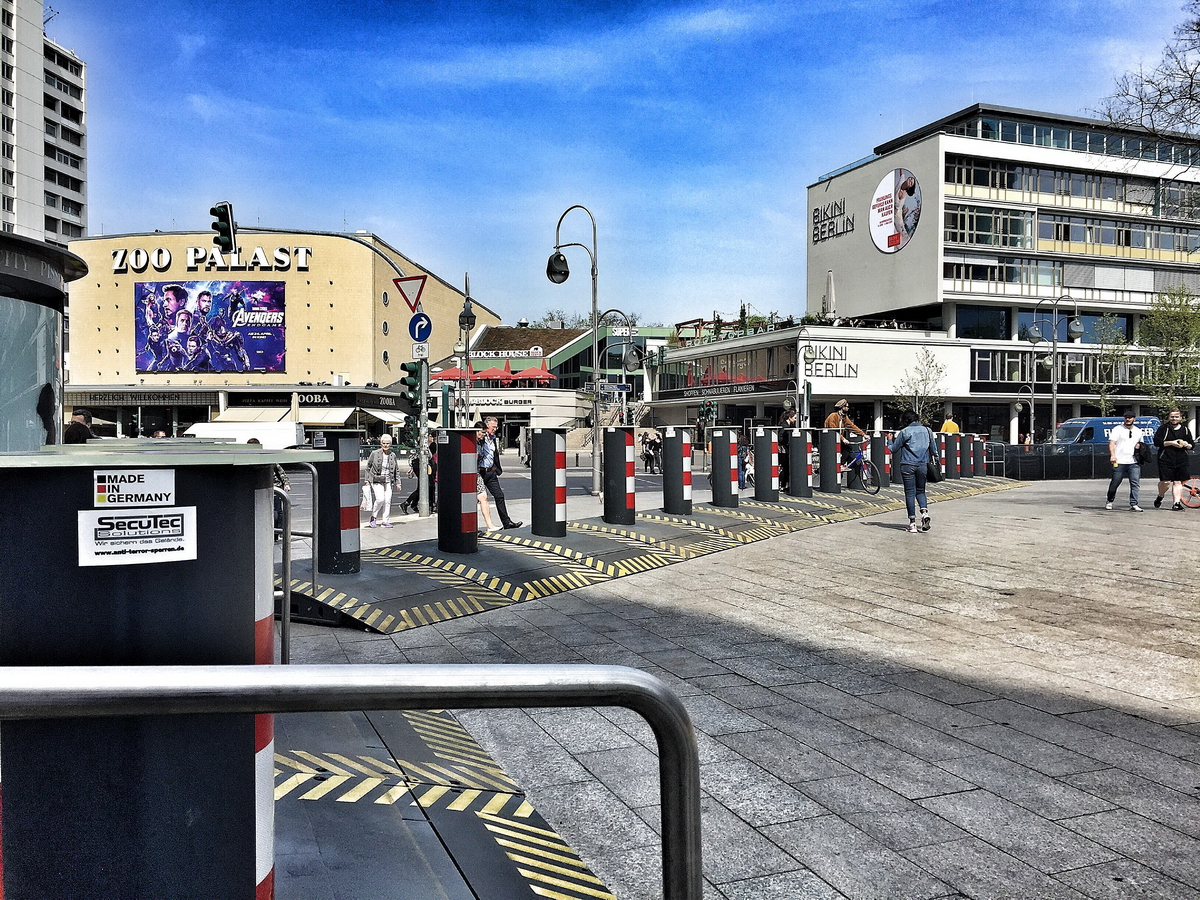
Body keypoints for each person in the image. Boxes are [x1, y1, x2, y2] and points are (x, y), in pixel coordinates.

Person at [888, 409, 934, 533]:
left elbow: (893, 449)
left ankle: (912, 524)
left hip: (907, 465)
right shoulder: (927, 430)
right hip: (922, 465)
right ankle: (924, 514)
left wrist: (889, 440)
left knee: (909, 493)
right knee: (921, 491)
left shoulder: (904, 432)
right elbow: (934, 449)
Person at [477, 416, 521, 529]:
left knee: (499, 496)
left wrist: (496, 468)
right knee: (479, 498)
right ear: (486, 427)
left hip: (491, 472)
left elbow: (494, 454)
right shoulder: (481, 437)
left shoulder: (494, 438)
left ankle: (506, 522)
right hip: (480, 471)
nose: (495, 429)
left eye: (496, 427)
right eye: (493, 427)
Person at [1153, 408, 1194, 510]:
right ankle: (1160, 495)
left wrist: (1187, 445)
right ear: (1169, 417)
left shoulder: (1185, 430)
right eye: (1172, 417)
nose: (1174, 419)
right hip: (1166, 458)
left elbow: (1191, 444)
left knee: (1178, 481)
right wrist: (1172, 442)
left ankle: (1176, 503)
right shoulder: (1163, 429)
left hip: (1181, 458)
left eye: (1176, 417)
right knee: (1165, 482)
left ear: (1180, 418)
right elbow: (1157, 442)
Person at [1106, 410, 1146, 511]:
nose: (1128, 419)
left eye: (1130, 417)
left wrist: (1139, 447)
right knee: (1115, 482)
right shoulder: (1117, 429)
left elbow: (1142, 445)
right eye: (1126, 417)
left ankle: (1134, 503)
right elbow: (1112, 443)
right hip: (1119, 461)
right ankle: (1110, 500)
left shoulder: (1138, 431)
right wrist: (1113, 455)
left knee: (1135, 483)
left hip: (1133, 461)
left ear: (1134, 419)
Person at [365, 434, 401, 527]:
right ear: (381, 444)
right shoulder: (374, 453)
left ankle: (385, 521)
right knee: (380, 499)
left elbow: (396, 470)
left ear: (390, 444)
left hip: (388, 481)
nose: (385, 445)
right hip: (376, 479)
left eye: (387, 444)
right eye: (384, 443)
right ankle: (373, 517)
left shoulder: (392, 455)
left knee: (387, 500)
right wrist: (367, 480)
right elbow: (368, 467)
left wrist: (398, 483)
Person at [399, 435, 437, 515]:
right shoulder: (428, 445)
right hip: (424, 467)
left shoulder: (426, 445)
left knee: (424, 487)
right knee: (425, 487)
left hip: (421, 466)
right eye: (429, 436)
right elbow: (428, 456)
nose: (431, 437)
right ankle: (406, 503)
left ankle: (413, 504)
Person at [824, 399, 867, 466]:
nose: (848, 408)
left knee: (848, 449)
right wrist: (843, 439)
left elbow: (852, 426)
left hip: (838, 438)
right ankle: (838, 466)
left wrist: (863, 434)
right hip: (831, 439)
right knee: (835, 454)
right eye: (847, 406)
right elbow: (833, 430)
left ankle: (841, 465)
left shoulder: (844, 417)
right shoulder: (833, 416)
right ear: (842, 407)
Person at [475, 424, 498, 531]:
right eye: (482, 432)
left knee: (483, 497)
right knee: (476, 499)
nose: (484, 435)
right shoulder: (472, 443)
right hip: (471, 474)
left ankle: (489, 525)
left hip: (477, 474)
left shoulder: (480, 443)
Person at [778, 410, 797, 492]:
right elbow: (781, 438)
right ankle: (783, 485)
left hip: (787, 449)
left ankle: (785, 484)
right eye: (795, 418)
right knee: (785, 467)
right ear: (790, 417)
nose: (796, 419)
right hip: (784, 450)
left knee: (787, 468)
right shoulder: (784, 426)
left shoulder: (791, 425)